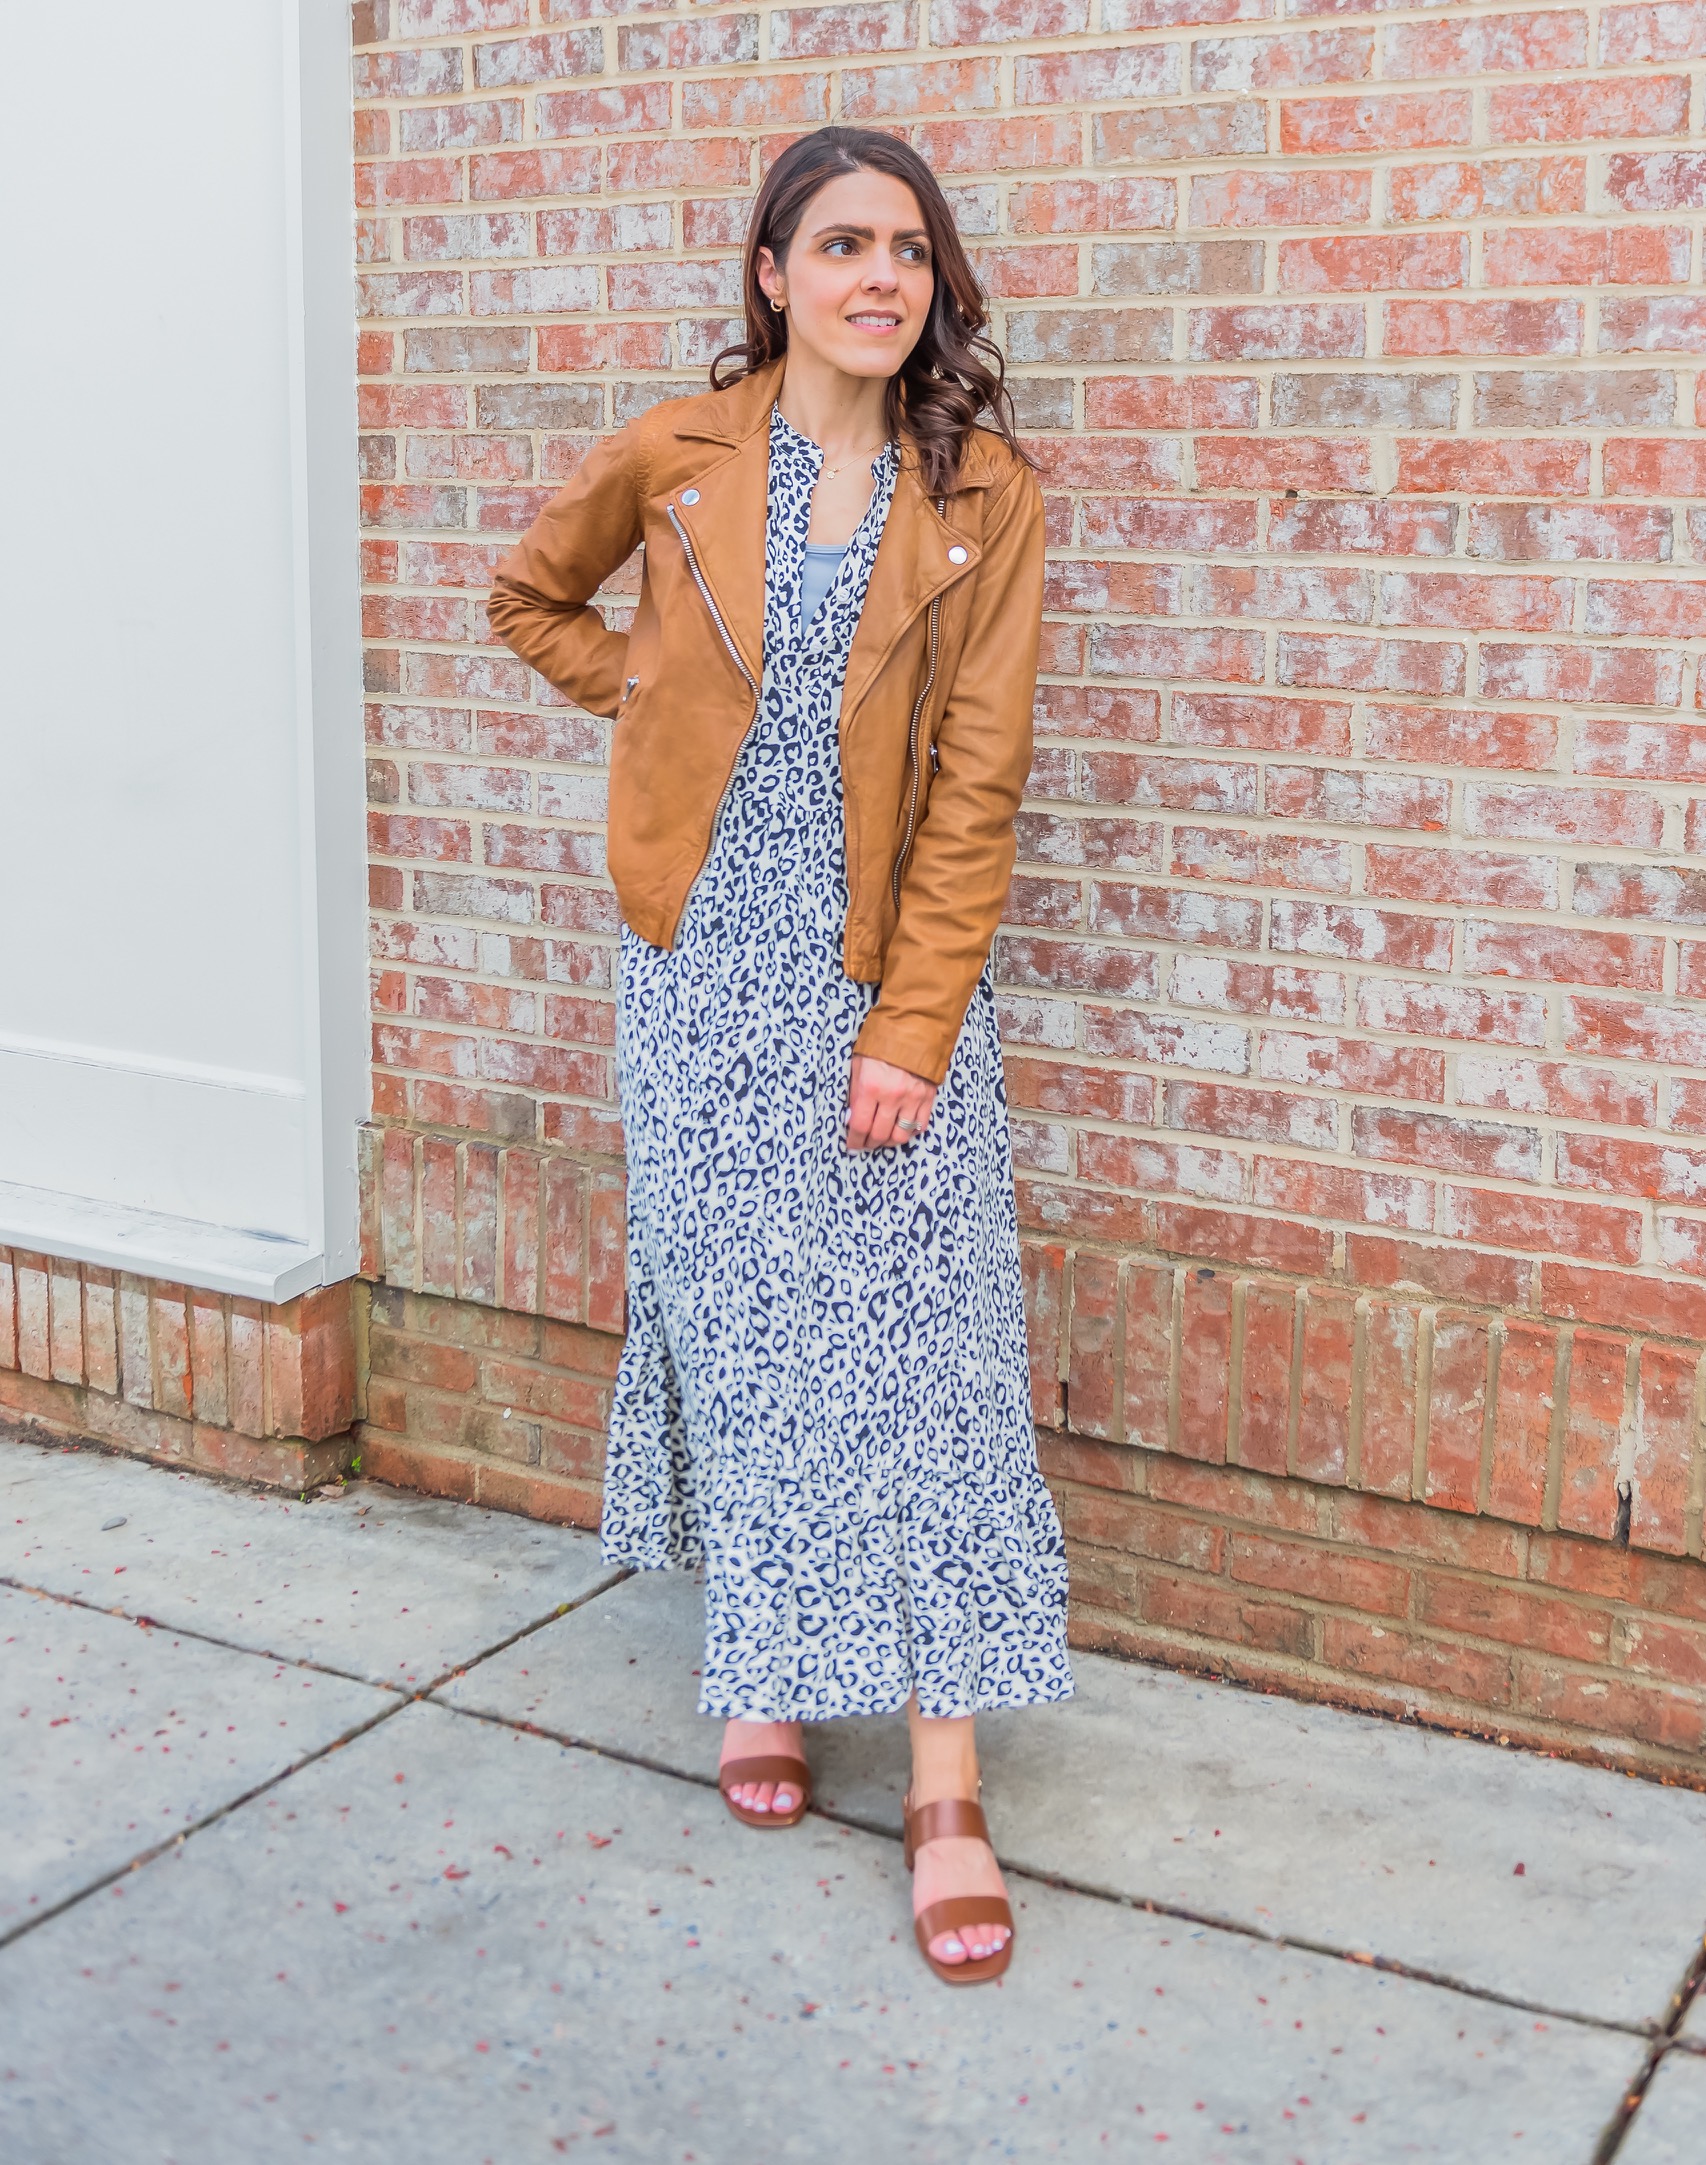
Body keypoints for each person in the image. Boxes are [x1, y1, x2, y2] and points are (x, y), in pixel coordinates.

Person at [488, 124, 1072, 1986]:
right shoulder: (681, 452)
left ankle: (945, 1783)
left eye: (908, 247)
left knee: (921, 1362)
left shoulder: (984, 493)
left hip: (877, 969)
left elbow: (979, 786)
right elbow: (529, 598)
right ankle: (767, 1662)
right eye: (841, 244)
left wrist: (914, 1027)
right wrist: (657, 702)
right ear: (773, 274)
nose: (879, 275)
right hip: (700, 969)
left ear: (935, 280)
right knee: (743, 1326)